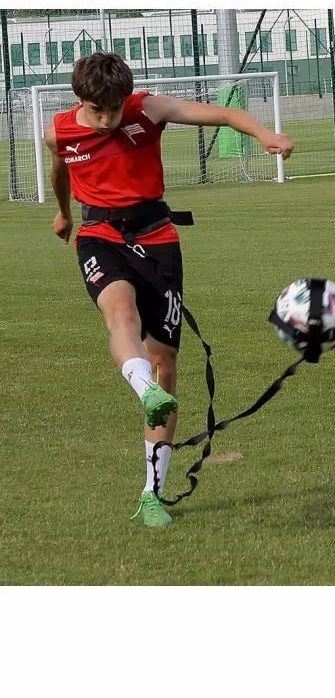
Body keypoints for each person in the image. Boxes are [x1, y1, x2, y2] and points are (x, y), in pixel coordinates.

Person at [46, 52, 294, 529]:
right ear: (80, 99)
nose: (107, 119)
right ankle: (146, 392)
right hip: (99, 236)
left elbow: (224, 114)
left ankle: (153, 493)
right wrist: (63, 213)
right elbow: (60, 170)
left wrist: (266, 135)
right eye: (98, 110)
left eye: (115, 109)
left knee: (165, 363)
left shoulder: (148, 109)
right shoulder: (59, 131)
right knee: (121, 315)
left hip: (157, 240)